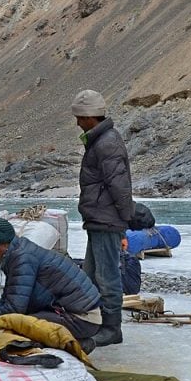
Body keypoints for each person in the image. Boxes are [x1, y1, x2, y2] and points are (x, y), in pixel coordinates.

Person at [0, 217, 100, 351]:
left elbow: (15, 308)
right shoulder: (18, 251)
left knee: (21, 330)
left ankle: (78, 345)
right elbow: (8, 298)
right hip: (73, 312)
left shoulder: (22, 259)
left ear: (3, 244)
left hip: (82, 319)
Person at [72, 89, 134, 346]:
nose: (76, 122)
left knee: (107, 277)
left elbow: (119, 185)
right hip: (100, 219)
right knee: (91, 273)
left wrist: (124, 219)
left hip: (106, 220)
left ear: (89, 117)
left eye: (79, 117)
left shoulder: (106, 143)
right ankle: (94, 322)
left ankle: (112, 328)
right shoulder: (100, 140)